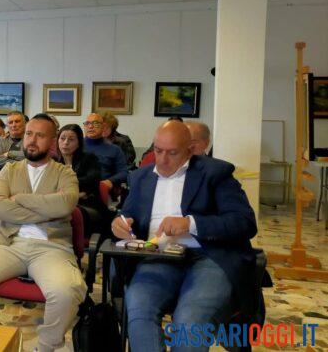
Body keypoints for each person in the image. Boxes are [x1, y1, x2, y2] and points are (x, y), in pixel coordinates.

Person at [111, 121, 257, 352]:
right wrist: (120, 223)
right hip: (158, 257)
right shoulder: (141, 177)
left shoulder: (215, 173)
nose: (162, 160)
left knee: (189, 322)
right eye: (157, 151)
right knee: (139, 312)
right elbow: (128, 214)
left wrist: (191, 223)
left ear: (190, 149)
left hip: (209, 258)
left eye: (172, 153)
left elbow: (245, 223)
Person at [0, 114, 85, 352]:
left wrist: (21, 200)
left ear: (53, 141)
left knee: (67, 292)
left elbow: (65, 205)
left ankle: (46, 346)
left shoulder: (65, 173)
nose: (31, 140)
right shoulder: (10, 169)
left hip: (52, 248)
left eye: (40, 135)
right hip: (9, 244)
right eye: (28, 134)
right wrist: (48, 210)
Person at [56, 124, 110, 238]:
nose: (65, 143)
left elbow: (91, 181)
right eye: (62, 138)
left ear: (79, 142)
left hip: (88, 205)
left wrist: (65, 187)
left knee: (70, 213)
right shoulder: (52, 161)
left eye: (71, 139)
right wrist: (77, 192)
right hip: (61, 203)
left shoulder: (89, 159)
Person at [83, 113, 128, 191]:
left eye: (95, 123)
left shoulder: (114, 149)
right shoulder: (76, 146)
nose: (90, 126)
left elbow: (124, 173)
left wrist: (110, 181)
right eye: (87, 123)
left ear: (103, 127)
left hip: (103, 189)